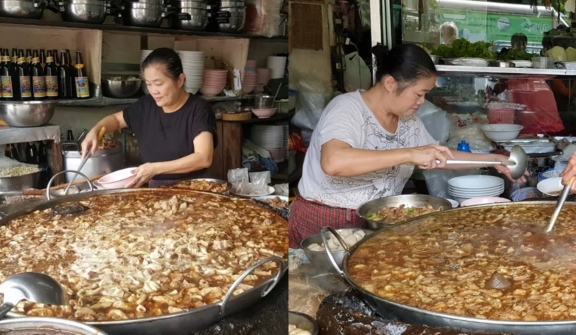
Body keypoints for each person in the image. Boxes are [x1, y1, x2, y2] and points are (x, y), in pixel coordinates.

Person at [289, 43, 522, 248]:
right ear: (390, 83)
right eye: (419, 94)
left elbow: (439, 156)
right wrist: (410, 154)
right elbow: (334, 162)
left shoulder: (408, 121)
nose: (422, 102)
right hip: (327, 222)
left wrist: (496, 160)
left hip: (379, 219)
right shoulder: (347, 109)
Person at [81, 48, 217, 188]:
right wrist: (95, 130)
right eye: (149, 84)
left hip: (195, 188)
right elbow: (116, 120)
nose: (153, 91)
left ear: (180, 80)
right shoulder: (146, 105)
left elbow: (203, 158)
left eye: (159, 84)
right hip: (156, 191)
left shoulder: (198, 109)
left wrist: (156, 168)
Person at [493, 33, 564, 134]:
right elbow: (503, 85)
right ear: (512, 44)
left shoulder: (527, 61)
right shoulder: (514, 60)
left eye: (522, 44)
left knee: (539, 130)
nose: (520, 46)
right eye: (518, 44)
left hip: (534, 97)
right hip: (533, 96)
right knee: (538, 131)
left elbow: (503, 85)